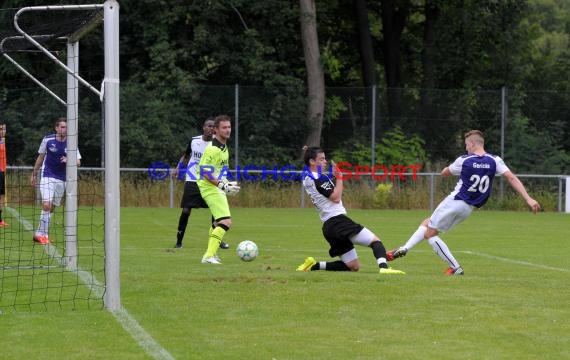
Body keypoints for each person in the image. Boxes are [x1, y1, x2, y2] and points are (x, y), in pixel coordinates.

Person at [387, 130, 541, 275]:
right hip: (468, 208)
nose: (466, 148)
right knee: (428, 223)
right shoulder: (495, 160)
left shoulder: (464, 160)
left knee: (430, 234)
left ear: (473, 144)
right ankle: (404, 248)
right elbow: (511, 177)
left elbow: (444, 173)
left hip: (455, 201)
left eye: (467, 145)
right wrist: (528, 198)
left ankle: (455, 267)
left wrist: (452, 167)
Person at [296, 146, 405, 275]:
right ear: (312, 161)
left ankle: (314, 266)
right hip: (338, 222)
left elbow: (320, 184)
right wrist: (340, 177)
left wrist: (309, 151)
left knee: (353, 266)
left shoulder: (308, 177)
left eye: (325, 159)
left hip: (329, 227)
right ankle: (384, 268)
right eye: (321, 159)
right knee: (375, 241)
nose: (325, 161)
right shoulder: (319, 178)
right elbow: (336, 197)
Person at [171, 117, 229, 250]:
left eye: (212, 127)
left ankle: (217, 240)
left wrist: (222, 180)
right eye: (208, 126)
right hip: (192, 179)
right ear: (203, 128)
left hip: (208, 180)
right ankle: (179, 241)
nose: (210, 129)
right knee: (186, 210)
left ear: (215, 130)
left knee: (216, 211)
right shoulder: (194, 141)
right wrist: (178, 168)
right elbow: (186, 156)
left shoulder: (217, 144)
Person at [30, 117, 81, 245]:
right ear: (57, 128)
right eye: (63, 127)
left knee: (52, 208)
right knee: (46, 205)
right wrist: (34, 174)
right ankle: (42, 235)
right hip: (47, 175)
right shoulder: (47, 140)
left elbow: (78, 162)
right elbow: (40, 157)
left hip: (62, 179)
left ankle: (40, 234)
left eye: (67, 127)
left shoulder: (71, 142)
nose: (65, 130)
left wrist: (69, 160)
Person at [197, 115, 240, 264]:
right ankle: (208, 256)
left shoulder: (223, 146)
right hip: (209, 187)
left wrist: (228, 183)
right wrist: (222, 185)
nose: (228, 130)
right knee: (226, 222)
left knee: (217, 223)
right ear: (216, 130)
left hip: (215, 186)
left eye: (229, 127)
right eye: (224, 127)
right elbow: (205, 172)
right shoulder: (213, 149)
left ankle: (212, 254)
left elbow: (221, 169)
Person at [0, 122, 7, 227]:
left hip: (2, 171)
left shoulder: (2, 141)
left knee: (1, 196)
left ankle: (0, 220)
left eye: (5, 129)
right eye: (1, 129)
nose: (3, 131)